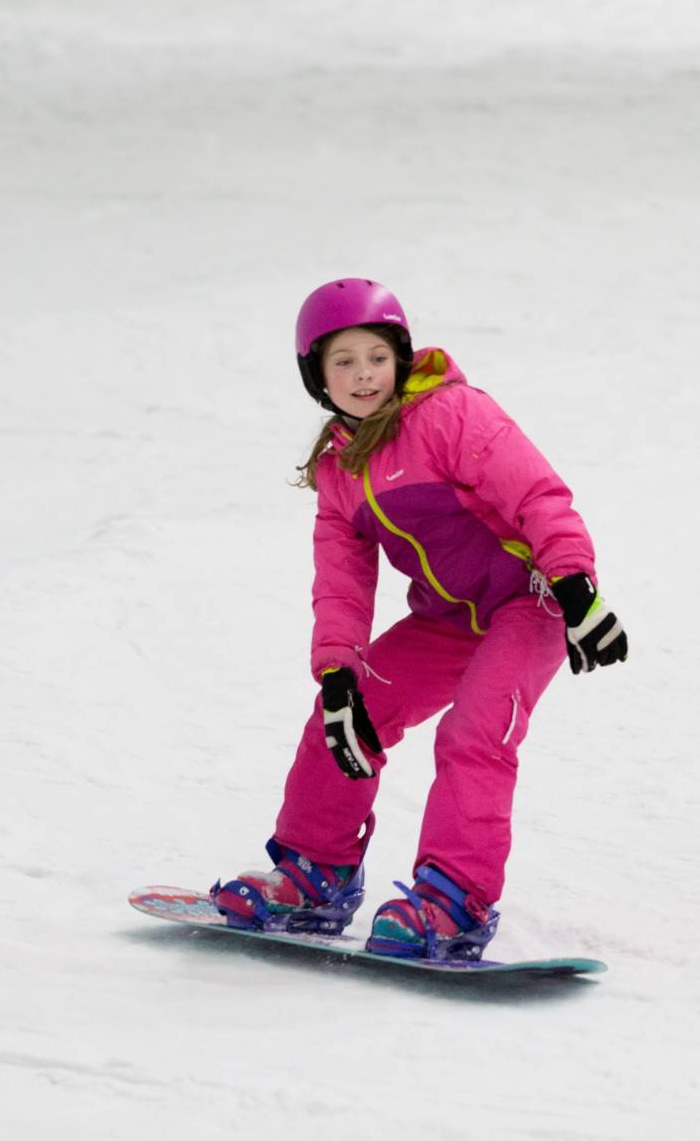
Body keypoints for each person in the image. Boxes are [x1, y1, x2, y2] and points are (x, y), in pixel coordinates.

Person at [210, 279, 629, 961]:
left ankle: (453, 899)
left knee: (475, 732)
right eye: (341, 361)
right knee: (343, 717)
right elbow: (341, 584)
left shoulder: (452, 414)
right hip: (448, 620)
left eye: (375, 355)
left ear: (400, 357)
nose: (362, 374)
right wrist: (339, 673)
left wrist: (576, 586)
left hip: (531, 600)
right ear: (316, 377)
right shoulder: (340, 468)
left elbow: (538, 496)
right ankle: (316, 872)